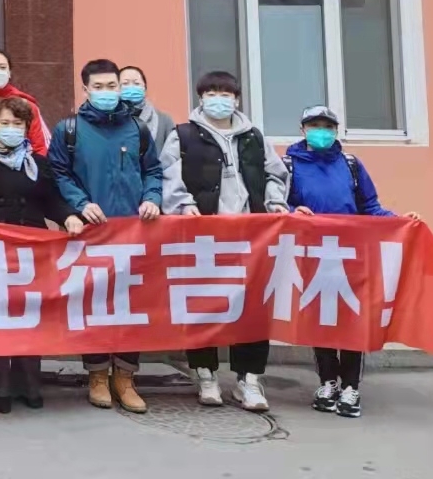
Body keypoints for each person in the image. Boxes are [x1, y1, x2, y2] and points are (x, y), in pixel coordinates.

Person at [161, 70, 288, 413]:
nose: (219, 99)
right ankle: (206, 374)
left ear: (237, 99)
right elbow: (169, 176)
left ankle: (249, 379)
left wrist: (275, 201)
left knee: (252, 308)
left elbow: (275, 173)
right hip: (204, 236)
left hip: (251, 238)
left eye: (225, 93)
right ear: (200, 98)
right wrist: (183, 205)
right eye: (211, 93)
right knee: (203, 304)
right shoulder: (183, 135)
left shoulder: (253, 137)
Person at [286, 105, 417, 420]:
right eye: (314, 126)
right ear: (303, 130)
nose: (321, 132)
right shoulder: (288, 165)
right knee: (320, 320)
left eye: (327, 126)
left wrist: (400, 221)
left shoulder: (351, 165)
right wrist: (293, 212)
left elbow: (370, 206)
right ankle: (327, 382)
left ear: (336, 131)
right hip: (312, 253)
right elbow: (279, 204)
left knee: (352, 320)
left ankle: (350, 386)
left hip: (351, 254)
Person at [48, 59, 163, 414]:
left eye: (112, 86)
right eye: (98, 87)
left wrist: (152, 198)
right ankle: (97, 375)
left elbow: (153, 170)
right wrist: (81, 204)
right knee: (94, 304)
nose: (106, 92)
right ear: (85, 90)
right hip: (91, 233)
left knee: (130, 304)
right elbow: (58, 173)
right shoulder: (69, 130)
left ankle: (125, 377)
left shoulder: (138, 129)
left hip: (133, 231)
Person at [0, 96, 82, 413]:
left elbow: (52, 201)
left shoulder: (39, 165)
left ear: (27, 127)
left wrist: (69, 216)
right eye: (5, 123)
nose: (11, 128)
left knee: (29, 317)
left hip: (32, 252)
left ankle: (29, 385)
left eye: (17, 123)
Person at [120, 65, 176, 159]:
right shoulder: (109, 119)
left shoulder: (164, 120)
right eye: (125, 83)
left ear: (145, 88)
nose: (131, 87)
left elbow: (173, 156)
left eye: (136, 83)